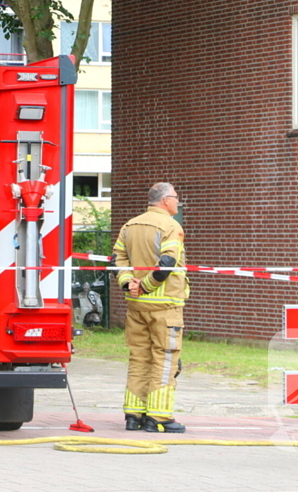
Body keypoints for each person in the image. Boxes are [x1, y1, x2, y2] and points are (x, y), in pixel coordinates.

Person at [113, 182, 189, 433]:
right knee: (164, 360)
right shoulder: (171, 226)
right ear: (166, 200)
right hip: (164, 307)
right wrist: (145, 285)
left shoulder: (129, 225)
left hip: (136, 307)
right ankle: (159, 417)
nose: (178, 202)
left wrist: (128, 285)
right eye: (176, 198)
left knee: (138, 359)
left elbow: (118, 260)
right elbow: (167, 262)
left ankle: (133, 415)